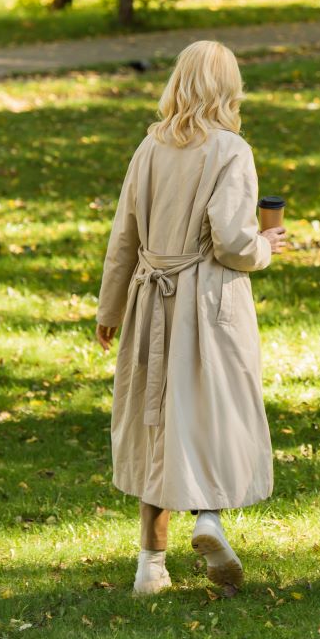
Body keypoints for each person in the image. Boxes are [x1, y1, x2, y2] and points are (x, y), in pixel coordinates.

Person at [95, 41, 286, 595]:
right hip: (207, 301)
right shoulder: (231, 149)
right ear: (229, 89)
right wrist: (266, 245)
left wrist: (111, 307)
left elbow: (123, 236)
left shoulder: (149, 147)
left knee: (156, 420)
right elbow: (231, 240)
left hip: (150, 298)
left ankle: (150, 568)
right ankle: (208, 519)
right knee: (213, 413)